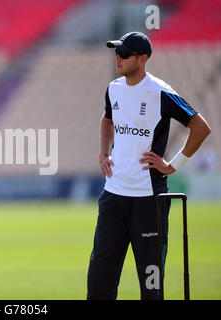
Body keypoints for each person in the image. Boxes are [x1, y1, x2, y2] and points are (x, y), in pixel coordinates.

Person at [86, 32, 211, 300]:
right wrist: (102, 154)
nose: (118, 57)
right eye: (117, 52)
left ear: (142, 59)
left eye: (125, 53)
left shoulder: (161, 92)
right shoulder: (114, 88)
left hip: (149, 200)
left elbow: (201, 127)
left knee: (151, 286)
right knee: (99, 283)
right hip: (113, 197)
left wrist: (173, 165)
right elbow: (107, 119)